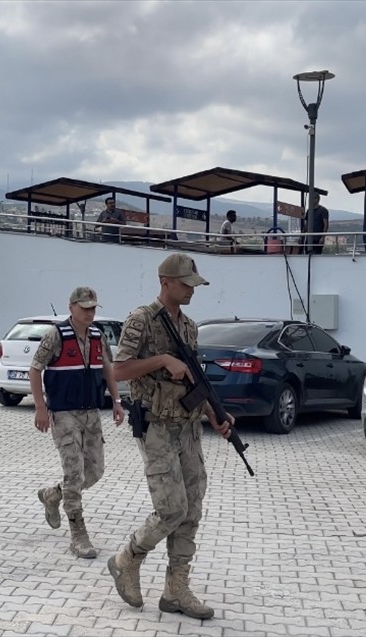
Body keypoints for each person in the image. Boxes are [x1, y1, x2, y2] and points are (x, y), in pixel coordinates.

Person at [106, 253, 234, 621]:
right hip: (157, 427)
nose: (192, 291)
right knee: (171, 508)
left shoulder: (190, 326)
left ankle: (176, 589)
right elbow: (119, 369)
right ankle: (127, 558)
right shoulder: (141, 320)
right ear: (165, 282)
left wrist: (216, 416)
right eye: (185, 284)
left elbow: (193, 380)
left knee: (192, 508)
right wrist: (162, 360)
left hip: (189, 427)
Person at [30, 286, 125, 559]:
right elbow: (35, 369)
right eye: (85, 308)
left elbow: (108, 367)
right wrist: (40, 407)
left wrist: (117, 401)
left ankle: (52, 495)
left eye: (93, 308)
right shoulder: (56, 335)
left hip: (92, 413)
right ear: (72, 307)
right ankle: (78, 535)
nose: (90, 313)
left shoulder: (98, 335)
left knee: (93, 472)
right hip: (64, 415)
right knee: (74, 474)